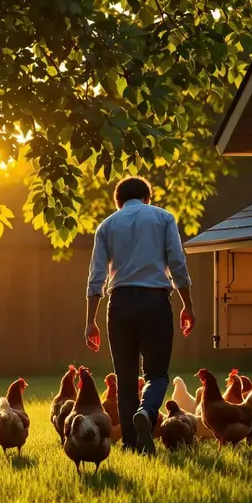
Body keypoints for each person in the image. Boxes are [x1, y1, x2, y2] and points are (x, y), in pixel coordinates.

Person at [84, 176, 194, 454]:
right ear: (148, 197)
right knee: (157, 374)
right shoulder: (163, 218)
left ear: (118, 201)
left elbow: (96, 276)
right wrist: (187, 305)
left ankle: (132, 444)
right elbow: (177, 263)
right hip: (155, 303)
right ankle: (147, 411)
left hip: (119, 305)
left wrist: (90, 321)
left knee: (125, 377)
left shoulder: (106, 226)